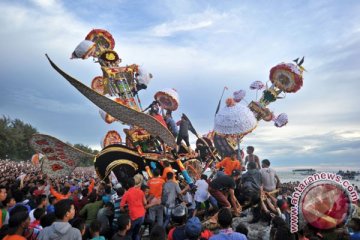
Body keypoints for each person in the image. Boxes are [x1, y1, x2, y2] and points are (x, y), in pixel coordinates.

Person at [120, 175, 146, 240]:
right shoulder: (141, 191)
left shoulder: (126, 194)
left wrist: (126, 211)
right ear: (134, 183)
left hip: (133, 216)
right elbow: (145, 203)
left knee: (130, 233)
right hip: (142, 215)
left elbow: (121, 208)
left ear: (128, 185)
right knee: (136, 233)